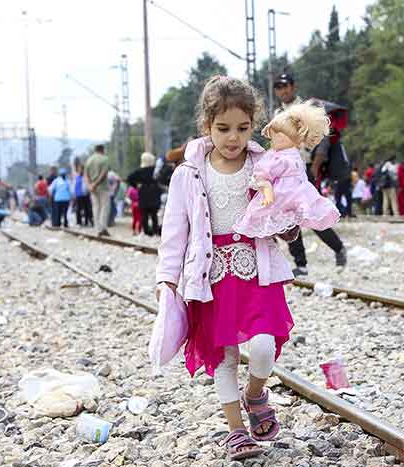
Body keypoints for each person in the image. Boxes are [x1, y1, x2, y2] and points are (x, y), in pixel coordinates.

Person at [156, 76, 296, 460]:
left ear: (254, 125)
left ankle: (255, 394)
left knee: (264, 346)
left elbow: (283, 208)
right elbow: (175, 231)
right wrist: (167, 278)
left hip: (257, 271)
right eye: (223, 129)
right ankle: (236, 431)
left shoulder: (264, 165)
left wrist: (291, 224)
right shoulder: (189, 173)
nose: (233, 137)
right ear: (207, 127)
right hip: (211, 276)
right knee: (224, 357)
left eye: (242, 128)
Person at [272, 72, 347, 275]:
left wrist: (315, 166)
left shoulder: (306, 108)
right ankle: (301, 264)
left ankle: (338, 248)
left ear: (293, 87)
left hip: (304, 169)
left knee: (311, 215)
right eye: (278, 87)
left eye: (285, 85)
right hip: (285, 171)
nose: (282, 90)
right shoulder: (277, 112)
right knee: (289, 218)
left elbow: (321, 136)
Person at [233, 102, 340, 238]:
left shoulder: (293, 153)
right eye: (274, 135)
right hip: (282, 194)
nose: (275, 139)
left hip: (298, 191)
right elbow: (262, 173)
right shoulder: (274, 156)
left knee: (305, 211)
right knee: (278, 216)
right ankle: (287, 236)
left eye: (281, 136)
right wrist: (267, 189)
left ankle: (295, 232)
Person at [127, 152, 162, 236]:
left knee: (144, 214)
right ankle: (155, 230)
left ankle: (146, 231)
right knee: (154, 214)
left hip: (143, 193)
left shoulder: (139, 171)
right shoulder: (155, 170)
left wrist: (136, 185)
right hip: (154, 192)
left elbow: (129, 178)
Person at [84, 144, 111, 236]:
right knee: (104, 207)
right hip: (103, 187)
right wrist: (95, 184)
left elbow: (86, 175)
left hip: (92, 188)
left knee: (96, 207)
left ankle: (97, 229)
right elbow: (104, 173)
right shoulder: (105, 159)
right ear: (102, 150)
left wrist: (89, 186)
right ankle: (103, 227)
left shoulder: (89, 160)